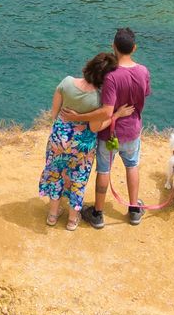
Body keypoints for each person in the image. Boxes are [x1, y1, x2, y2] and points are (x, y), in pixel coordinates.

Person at [39, 50, 128, 229]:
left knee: (55, 173)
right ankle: (72, 220)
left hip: (59, 138)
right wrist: (116, 116)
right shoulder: (97, 99)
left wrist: (64, 125)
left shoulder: (66, 82)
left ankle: (52, 215)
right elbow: (95, 127)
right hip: (82, 146)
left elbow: (54, 113)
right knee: (78, 178)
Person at [86, 27, 151, 228]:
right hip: (132, 131)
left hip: (109, 132)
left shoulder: (111, 77)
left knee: (104, 170)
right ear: (134, 48)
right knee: (132, 165)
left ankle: (97, 213)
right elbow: (145, 94)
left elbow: (107, 110)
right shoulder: (143, 71)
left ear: (113, 47)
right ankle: (133, 210)